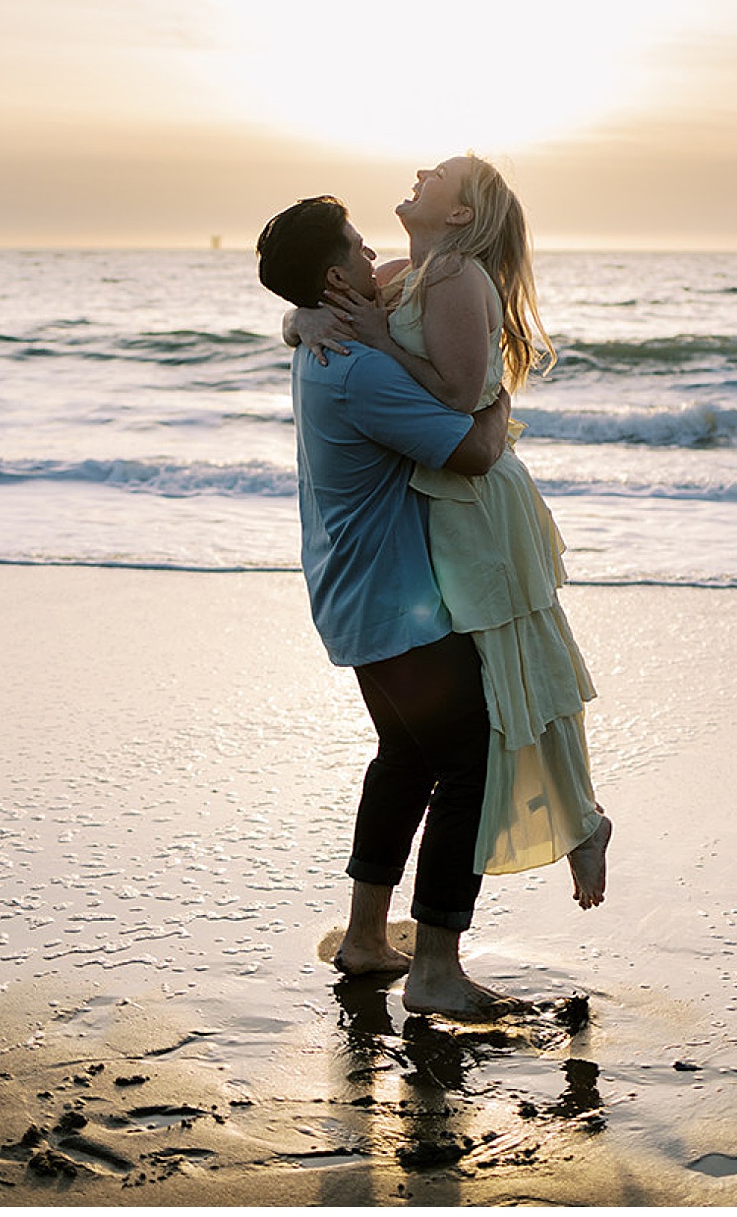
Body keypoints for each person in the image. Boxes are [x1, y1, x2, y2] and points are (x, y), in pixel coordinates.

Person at [285, 154, 612, 911]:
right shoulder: (402, 270)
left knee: (519, 674)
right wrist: (300, 318)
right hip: (436, 497)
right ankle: (399, 930)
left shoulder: (459, 276)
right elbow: (330, 315)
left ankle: (582, 821)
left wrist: (378, 340)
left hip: (474, 499)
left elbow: (467, 398)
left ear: (461, 214)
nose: (420, 172)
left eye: (440, 172)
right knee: (462, 719)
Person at [256, 194, 518, 1019]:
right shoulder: (360, 369)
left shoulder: (321, 345)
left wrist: (300, 319)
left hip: (353, 592)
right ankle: (437, 967)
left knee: (405, 757)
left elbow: (365, 302)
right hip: (394, 607)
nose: (374, 258)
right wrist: (498, 391)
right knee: (471, 763)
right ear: (334, 276)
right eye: (359, 250)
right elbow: (473, 451)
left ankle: (369, 938)